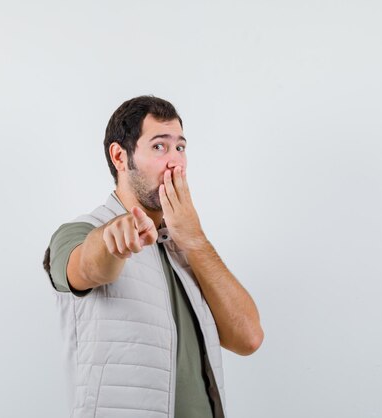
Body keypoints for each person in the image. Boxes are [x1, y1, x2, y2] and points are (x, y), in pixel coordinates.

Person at [43, 95, 263, 418]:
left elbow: (249, 338)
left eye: (180, 147)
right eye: (159, 147)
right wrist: (111, 239)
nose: (175, 162)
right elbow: (87, 266)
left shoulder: (187, 249)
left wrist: (195, 239)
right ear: (120, 156)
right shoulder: (81, 232)